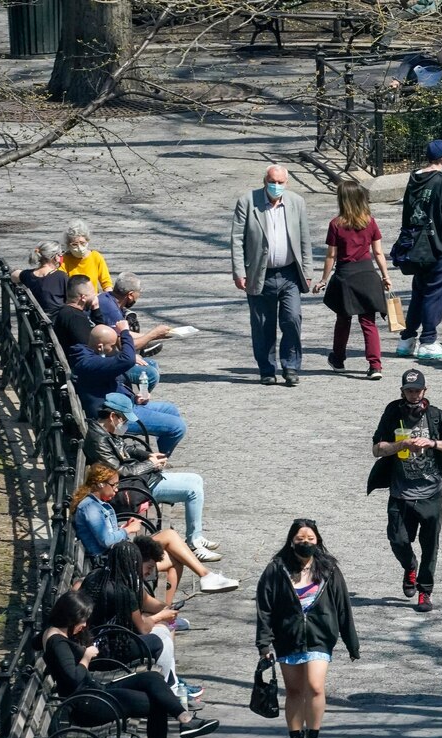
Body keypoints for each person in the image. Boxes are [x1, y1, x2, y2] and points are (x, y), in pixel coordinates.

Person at [39, 590, 218, 738]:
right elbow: (73, 677)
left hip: (95, 692)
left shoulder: (53, 633)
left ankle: (185, 718)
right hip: (88, 705)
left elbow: (41, 646)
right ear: (68, 617)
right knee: (156, 703)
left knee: (150, 678)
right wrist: (86, 656)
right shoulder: (57, 642)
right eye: (81, 620)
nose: (84, 625)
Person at [255, 519, 360, 738]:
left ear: (318, 541)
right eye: (301, 539)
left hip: (320, 638)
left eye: (310, 539)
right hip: (287, 638)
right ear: (291, 541)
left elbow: (343, 606)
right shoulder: (276, 569)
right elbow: (264, 608)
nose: (306, 543)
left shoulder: (329, 570)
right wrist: (264, 644)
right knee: (293, 692)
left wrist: (351, 643)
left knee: (314, 686)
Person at [83, 392, 222, 562]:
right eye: (124, 419)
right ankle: (194, 543)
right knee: (192, 490)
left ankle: (196, 536)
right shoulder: (99, 440)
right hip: (130, 488)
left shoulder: (105, 430)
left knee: (196, 479)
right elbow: (120, 471)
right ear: (113, 416)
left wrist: (148, 455)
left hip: (137, 480)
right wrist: (151, 465)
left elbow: (126, 450)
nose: (125, 423)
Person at [369, 368, 442, 612]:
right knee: (398, 539)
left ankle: (425, 591)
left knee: (430, 545)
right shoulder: (393, 412)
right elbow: (377, 449)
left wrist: (433, 443)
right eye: (408, 390)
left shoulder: (437, 416)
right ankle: (410, 566)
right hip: (400, 492)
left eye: (417, 390)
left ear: (425, 391)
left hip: (431, 492)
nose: (413, 395)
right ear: (402, 391)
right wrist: (401, 444)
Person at [70, 464, 239, 598]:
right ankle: (206, 576)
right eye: (113, 485)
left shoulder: (95, 503)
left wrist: (120, 528)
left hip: (119, 553)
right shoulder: (91, 507)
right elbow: (106, 541)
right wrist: (128, 529)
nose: (116, 489)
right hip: (113, 561)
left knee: (175, 560)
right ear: (100, 484)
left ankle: (166, 613)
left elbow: (104, 534)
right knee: (169, 535)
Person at [232, 164, 314, 386]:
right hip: (260, 273)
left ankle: (291, 367)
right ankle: (267, 369)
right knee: (262, 325)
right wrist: (239, 271)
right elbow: (237, 239)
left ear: (286, 183)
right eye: (272, 182)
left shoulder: (296, 202)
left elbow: (305, 238)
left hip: (289, 274)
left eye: (280, 182)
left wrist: (307, 270)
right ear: (264, 181)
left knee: (292, 318)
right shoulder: (248, 202)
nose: (276, 186)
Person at [81, 538, 186, 692]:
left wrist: (165, 611)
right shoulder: (124, 591)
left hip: (92, 642)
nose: (150, 572)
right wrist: (160, 617)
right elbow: (143, 629)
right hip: (109, 652)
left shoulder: (94, 577)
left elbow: (145, 603)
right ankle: (168, 689)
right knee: (161, 639)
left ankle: (172, 683)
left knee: (162, 631)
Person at [313, 180, 392, 380]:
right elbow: (378, 252)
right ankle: (375, 365)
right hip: (367, 274)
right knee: (368, 322)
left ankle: (338, 359)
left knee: (343, 319)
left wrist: (323, 279)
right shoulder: (370, 221)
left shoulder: (336, 224)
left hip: (345, 276)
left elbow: (331, 256)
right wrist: (385, 276)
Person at [395, 140, 442, 361]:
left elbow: (406, 214)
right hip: (439, 250)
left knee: (419, 294)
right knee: (435, 295)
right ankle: (428, 340)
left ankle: (407, 339)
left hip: (415, 248)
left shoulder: (413, 181)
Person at [69, 324, 186, 455]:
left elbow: (116, 383)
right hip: (112, 417)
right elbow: (127, 360)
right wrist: (124, 332)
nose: (116, 350)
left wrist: (135, 397)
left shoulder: (94, 356)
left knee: (171, 409)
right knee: (177, 427)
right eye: (113, 346)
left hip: (122, 404)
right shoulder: (91, 364)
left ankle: (160, 458)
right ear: (100, 347)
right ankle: (158, 465)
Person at [97, 272, 171, 391]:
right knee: (151, 374)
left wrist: (156, 335)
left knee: (152, 364)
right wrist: (152, 335)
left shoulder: (108, 299)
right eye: (138, 293)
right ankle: (137, 403)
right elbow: (124, 345)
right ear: (130, 295)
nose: (138, 296)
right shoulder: (111, 310)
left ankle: (139, 398)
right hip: (105, 359)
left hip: (110, 352)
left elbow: (123, 333)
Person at [10, 241, 68, 319]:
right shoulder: (60, 276)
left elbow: (13, 275)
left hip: (34, 321)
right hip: (55, 323)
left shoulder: (27, 275)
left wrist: (18, 270)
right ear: (56, 257)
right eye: (61, 254)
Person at [52, 275, 104, 355]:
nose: (95, 296)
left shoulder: (67, 311)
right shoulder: (75, 318)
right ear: (83, 297)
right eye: (93, 293)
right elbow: (99, 340)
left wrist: (95, 309)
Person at [61, 219, 113, 292]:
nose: (79, 247)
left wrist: (109, 299)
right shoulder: (64, 259)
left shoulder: (96, 257)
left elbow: (106, 283)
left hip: (92, 300)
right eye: (74, 244)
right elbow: (60, 283)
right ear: (68, 245)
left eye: (82, 243)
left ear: (87, 241)